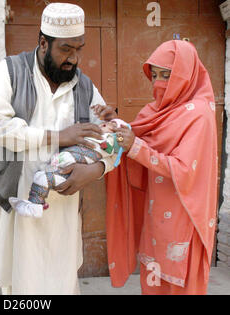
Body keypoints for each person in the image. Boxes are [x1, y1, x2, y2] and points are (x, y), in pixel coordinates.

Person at [0, 3, 117, 294]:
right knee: (17, 286)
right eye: (66, 49)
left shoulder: (85, 88)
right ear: (43, 43)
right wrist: (57, 136)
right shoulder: (10, 72)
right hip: (15, 209)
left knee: (61, 285)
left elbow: (111, 140)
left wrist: (96, 169)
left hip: (62, 215)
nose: (74, 58)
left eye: (79, 49)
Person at [104, 40, 218, 295]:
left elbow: (184, 169)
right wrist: (117, 126)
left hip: (185, 218)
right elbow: (140, 139)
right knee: (153, 284)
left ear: (185, 74)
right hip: (155, 217)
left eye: (167, 75)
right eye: (154, 75)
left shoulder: (199, 114)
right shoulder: (157, 112)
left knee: (177, 286)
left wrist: (135, 146)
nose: (158, 83)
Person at [9, 118, 129, 218]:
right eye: (108, 122)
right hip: (29, 168)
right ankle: (33, 204)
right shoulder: (92, 132)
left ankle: (34, 206)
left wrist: (97, 169)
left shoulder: (106, 143)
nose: (106, 124)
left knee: (42, 179)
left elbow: (113, 155)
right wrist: (60, 136)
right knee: (40, 177)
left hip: (66, 182)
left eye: (112, 126)